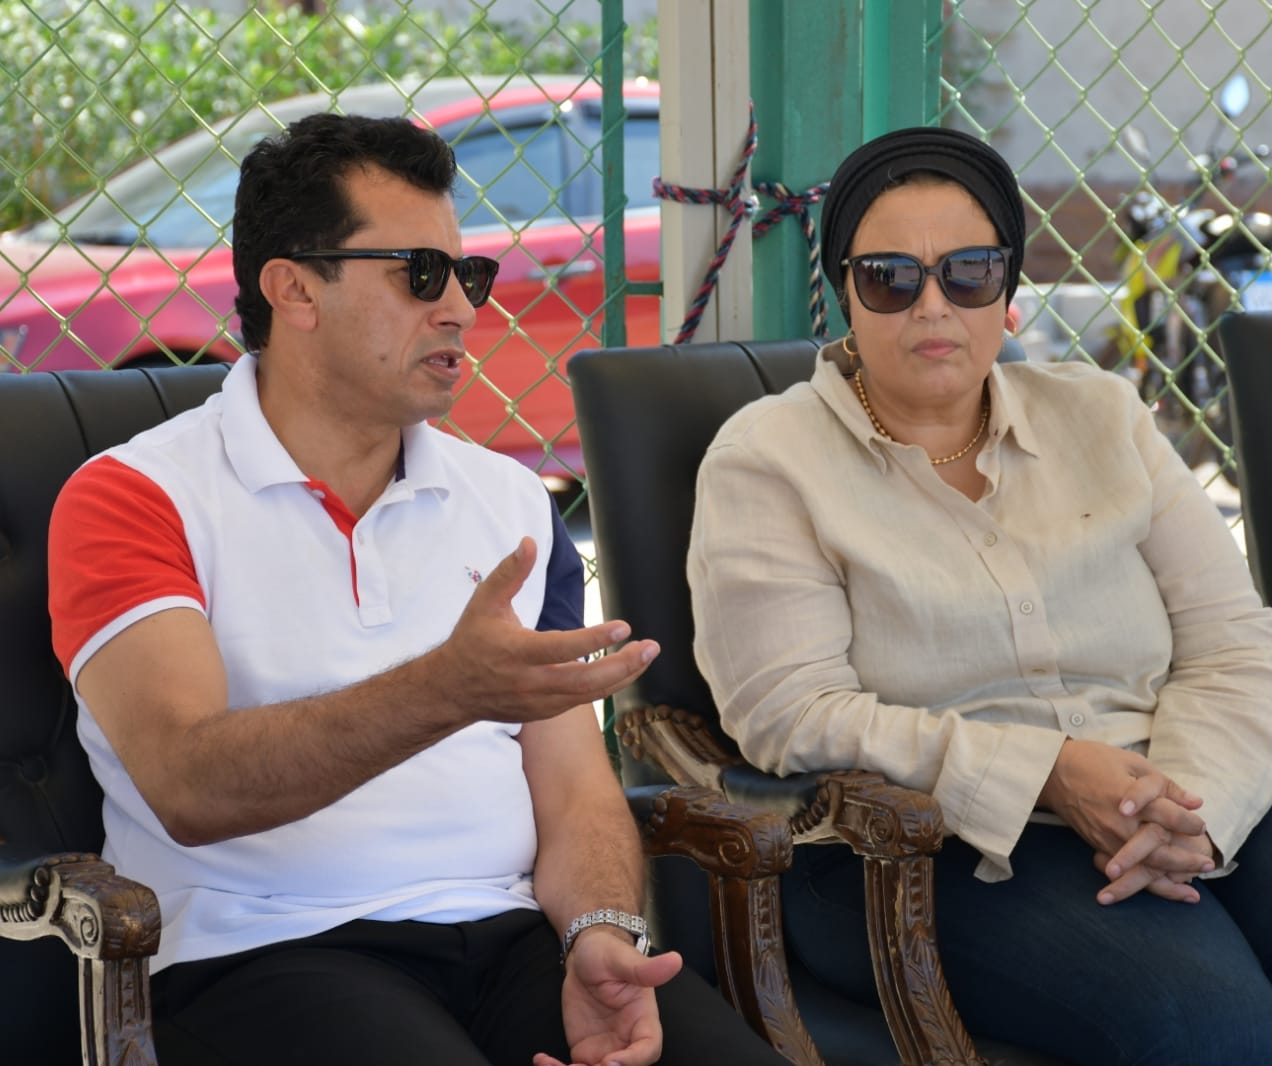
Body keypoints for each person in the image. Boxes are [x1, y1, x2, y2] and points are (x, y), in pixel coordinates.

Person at [46, 112, 788, 1066]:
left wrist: (600, 932)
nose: (460, 310)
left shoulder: (508, 501)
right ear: (294, 290)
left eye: (466, 276)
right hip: (261, 948)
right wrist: (445, 689)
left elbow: (573, 788)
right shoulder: (135, 496)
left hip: (512, 938)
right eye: (419, 275)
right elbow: (189, 785)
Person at [687, 125, 1272, 1065]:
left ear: (1007, 291)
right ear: (843, 294)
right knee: (1215, 1028)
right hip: (920, 847)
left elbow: (1234, 644)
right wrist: (1046, 771)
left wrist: (1191, 814)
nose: (931, 305)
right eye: (889, 278)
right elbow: (788, 713)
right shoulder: (768, 459)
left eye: (968, 272)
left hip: (1185, 783)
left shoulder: (1100, 414)